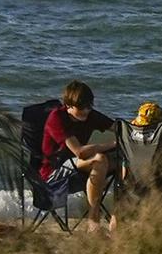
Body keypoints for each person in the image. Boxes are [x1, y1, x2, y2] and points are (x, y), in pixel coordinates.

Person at [40, 80, 117, 231]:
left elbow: (118, 128)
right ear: (68, 106)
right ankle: (93, 220)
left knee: (123, 161)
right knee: (100, 159)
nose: (86, 111)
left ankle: (117, 218)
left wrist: (139, 128)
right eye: (81, 108)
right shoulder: (57, 118)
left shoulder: (90, 115)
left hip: (78, 170)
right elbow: (79, 152)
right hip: (54, 173)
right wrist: (112, 145)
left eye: (89, 107)